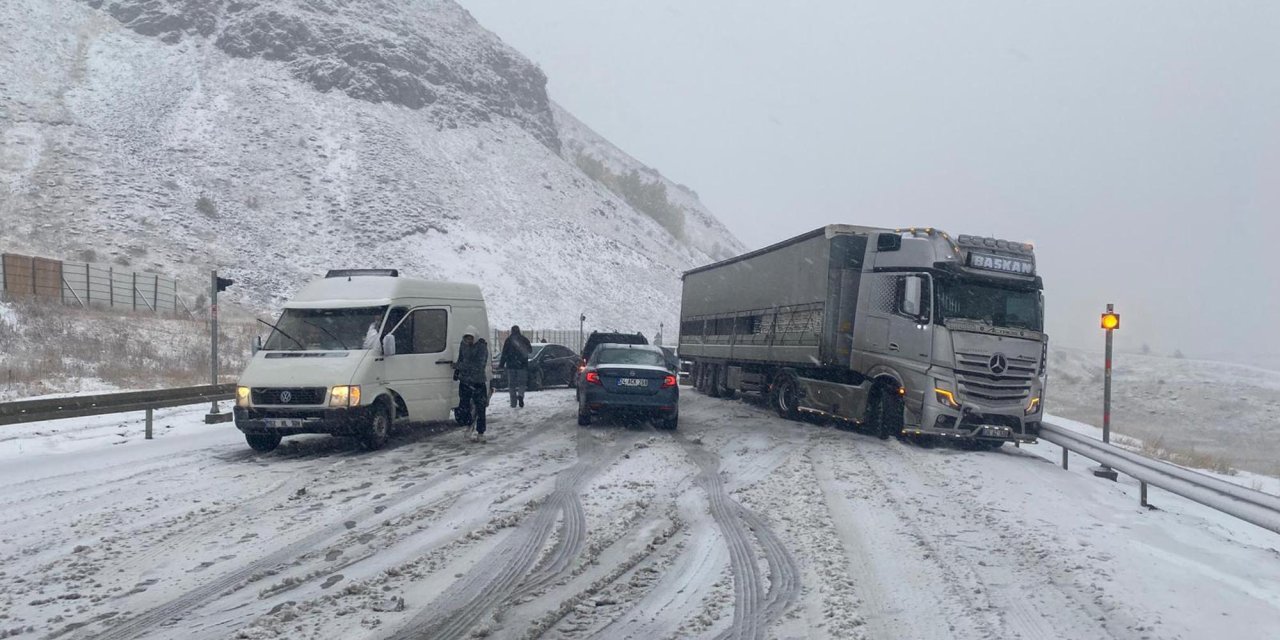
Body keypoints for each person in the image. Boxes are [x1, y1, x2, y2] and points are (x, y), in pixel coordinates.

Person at [454, 328, 490, 442]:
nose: (468, 340)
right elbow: (461, 358)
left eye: (470, 338)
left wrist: (460, 366)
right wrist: (457, 371)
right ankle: (469, 424)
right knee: (463, 406)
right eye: (466, 338)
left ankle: (480, 432)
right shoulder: (463, 345)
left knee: (480, 407)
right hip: (465, 381)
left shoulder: (482, 347)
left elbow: (479, 365)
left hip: (478, 381)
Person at [499, 325, 532, 408]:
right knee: (522, 383)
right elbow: (530, 350)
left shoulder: (508, 340)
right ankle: (520, 395)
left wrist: (501, 364)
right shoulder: (524, 339)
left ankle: (513, 403)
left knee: (511, 385)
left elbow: (504, 353)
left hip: (511, 366)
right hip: (522, 366)